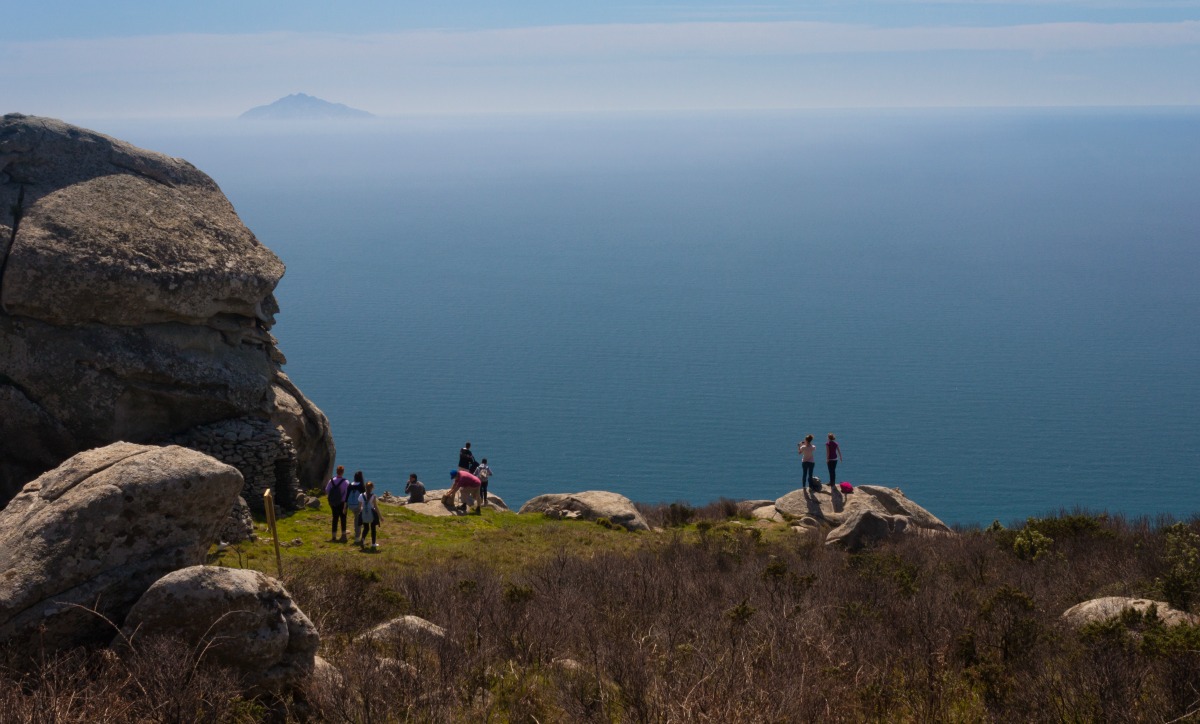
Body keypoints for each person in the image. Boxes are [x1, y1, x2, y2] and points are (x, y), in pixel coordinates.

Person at [323, 465, 350, 542]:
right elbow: (347, 493)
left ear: (336, 471)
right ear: (343, 472)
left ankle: (334, 537)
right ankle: (343, 536)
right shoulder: (346, 482)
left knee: (335, 518)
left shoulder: (331, 481)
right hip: (342, 503)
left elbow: (327, 490)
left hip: (333, 503)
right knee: (343, 518)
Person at [359, 481, 382, 550]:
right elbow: (376, 507)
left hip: (364, 513)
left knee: (366, 528)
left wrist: (362, 512)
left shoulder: (361, 495)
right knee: (373, 529)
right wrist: (380, 517)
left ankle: (362, 539)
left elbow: (359, 507)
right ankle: (373, 543)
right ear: (372, 488)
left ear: (365, 487)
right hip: (372, 513)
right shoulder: (373, 496)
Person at [347, 470, 367, 544]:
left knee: (356, 518)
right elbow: (364, 496)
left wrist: (345, 507)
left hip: (351, 505)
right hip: (358, 506)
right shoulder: (361, 485)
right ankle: (357, 537)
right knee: (358, 521)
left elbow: (347, 496)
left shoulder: (350, 485)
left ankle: (357, 533)